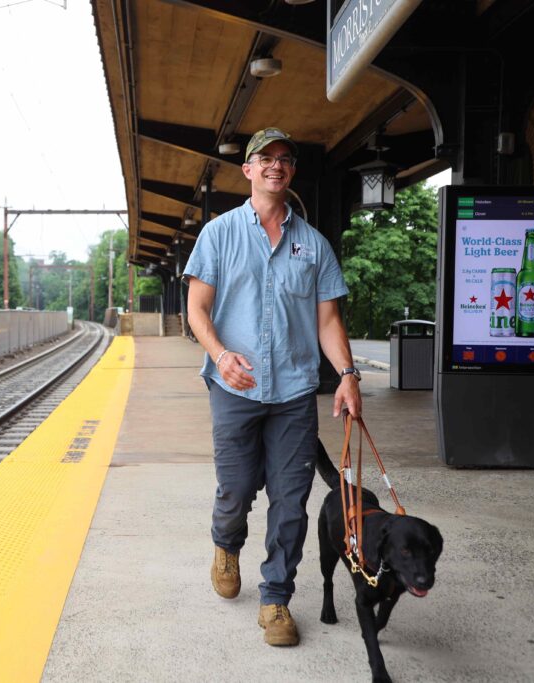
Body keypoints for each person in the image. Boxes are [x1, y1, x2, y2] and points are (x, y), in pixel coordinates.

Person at [183, 127, 362, 647]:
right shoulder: (218, 235)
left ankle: (275, 599)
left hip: (293, 392)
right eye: (265, 158)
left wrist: (348, 376)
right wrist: (220, 354)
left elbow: (328, 321)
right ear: (248, 169)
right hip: (234, 387)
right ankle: (226, 543)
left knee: (291, 499)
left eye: (285, 159)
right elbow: (197, 309)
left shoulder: (315, 245)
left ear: (292, 172)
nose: (275, 166)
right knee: (235, 490)